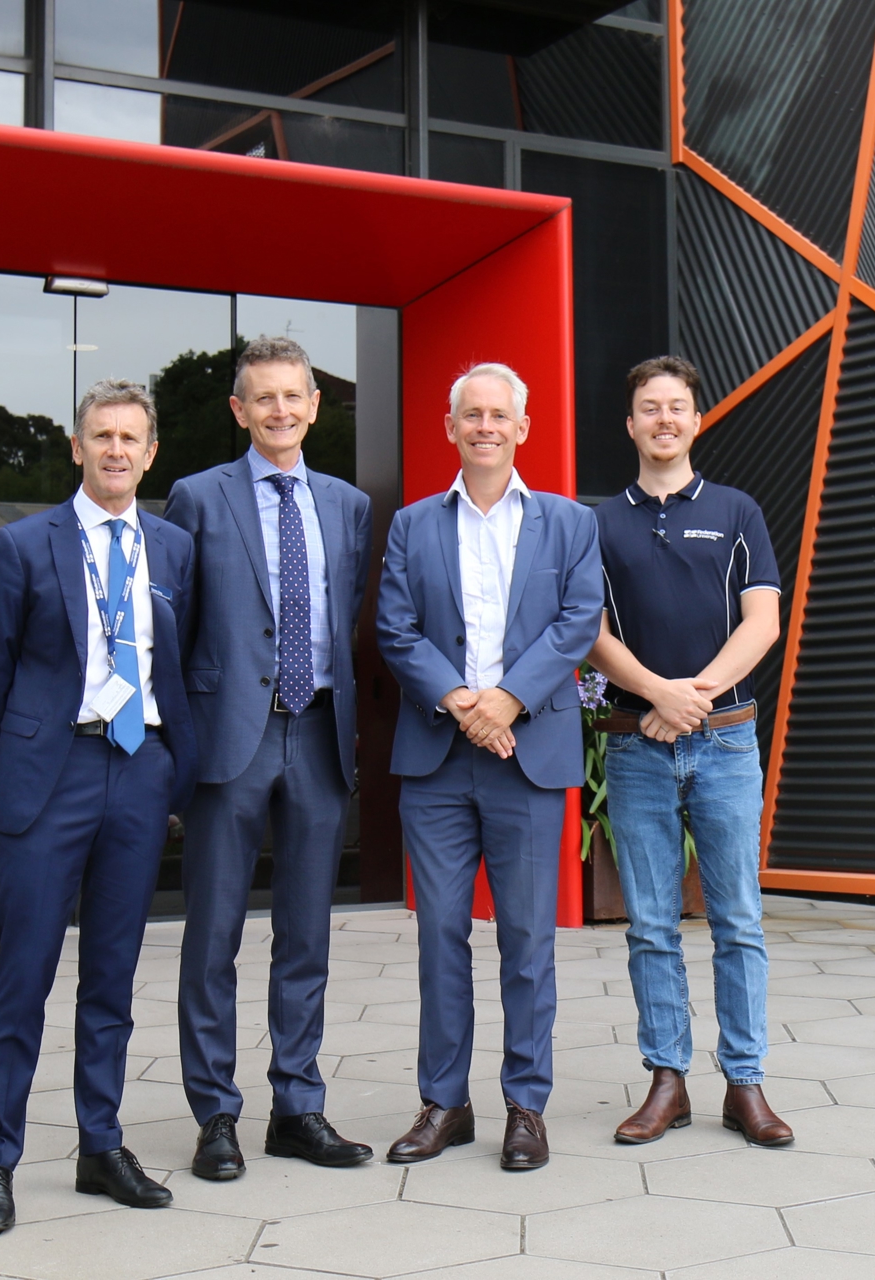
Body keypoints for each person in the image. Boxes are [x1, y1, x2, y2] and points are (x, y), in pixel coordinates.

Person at [0, 379, 198, 1233]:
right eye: (102, 436)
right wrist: (34, 745)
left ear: (151, 452)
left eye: (131, 438)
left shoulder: (173, 548)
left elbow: (182, 660)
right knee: (23, 978)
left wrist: (172, 764)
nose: (116, 450)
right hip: (51, 775)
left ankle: (101, 1146)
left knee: (112, 977)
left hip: (139, 772)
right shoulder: (22, 545)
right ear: (77, 447)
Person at [375, 362, 602, 1172]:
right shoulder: (412, 526)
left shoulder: (568, 523)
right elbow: (396, 628)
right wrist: (463, 703)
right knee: (440, 933)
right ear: (450, 427)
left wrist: (506, 700)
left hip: (527, 760)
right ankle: (445, 1103)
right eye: (471, 414)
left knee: (526, 938)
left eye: (498, 415)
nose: (484, 427)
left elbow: (578, 621)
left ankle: (525, 1105)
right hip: (437, 761)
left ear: (521, 428)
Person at [165, 336, 375, 1180]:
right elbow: (175, 629)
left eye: (294, 396)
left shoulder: (348, 505)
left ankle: (297, 1107)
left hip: (318, 734)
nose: (280, 410)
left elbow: (345, 615)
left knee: (306, 936)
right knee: (213, 934)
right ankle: (215, 1115)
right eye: (264, 397)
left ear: (315, 407)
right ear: (239, 409)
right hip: (230, 741)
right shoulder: (197, 497)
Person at [585, 355, 793, 1148]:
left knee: (737, 919)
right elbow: (590, 632)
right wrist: (656, 694)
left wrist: (689, 699)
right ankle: (666, 1082)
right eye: (650, 407)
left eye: (677, 406)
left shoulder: (737, 512)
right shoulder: (600, 523)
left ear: (697, 421)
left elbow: (762, 621)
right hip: (636, 749)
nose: (664, 419)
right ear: (630, 424)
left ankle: (745, 1083)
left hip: (726, 743)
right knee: (650, 925)